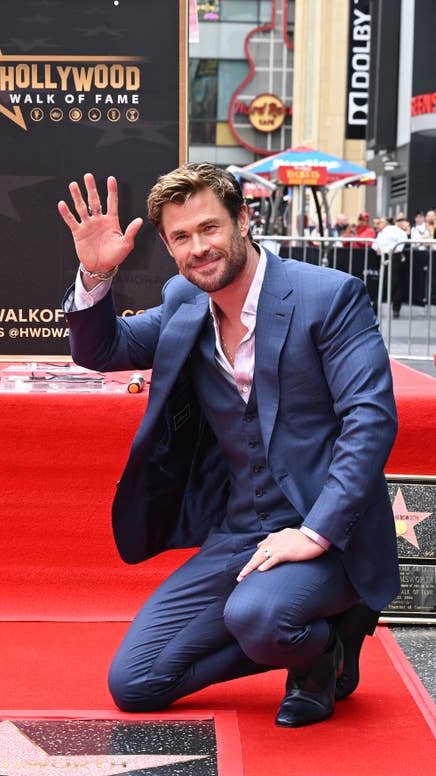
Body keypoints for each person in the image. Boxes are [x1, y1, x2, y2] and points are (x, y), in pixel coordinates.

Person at [57, 164, 399, 728]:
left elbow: (371, 421)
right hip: (240, 529)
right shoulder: (185, 303)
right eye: (182, 238)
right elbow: (104, 350)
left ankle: (315, 653)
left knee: (258, 616)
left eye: (210, 228)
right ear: (167, 247)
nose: (200, 248)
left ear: (243, 220)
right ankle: (314, 638)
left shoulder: (328, 297)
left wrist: (313, 534)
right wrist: (95, 278)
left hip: (329, 529)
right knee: (135, 682)